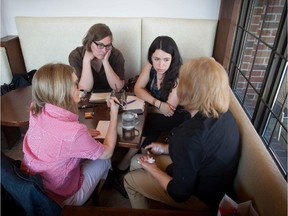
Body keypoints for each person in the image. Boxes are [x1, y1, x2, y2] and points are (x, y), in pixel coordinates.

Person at [123, 57, 241, 214]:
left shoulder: (190, 136)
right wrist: (166, 148)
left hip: (202, 199)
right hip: (214, 184)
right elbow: (198, 152)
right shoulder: (224, 114)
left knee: (129, 180)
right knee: (135, 161)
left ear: (189, 91)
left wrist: (153, 169)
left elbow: (179, 193)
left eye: (180, 82)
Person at [20, 63, 120, 206]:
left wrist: (82, 135)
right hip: (56, 199)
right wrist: (114, 114)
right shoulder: (74, 133)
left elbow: (55, 132)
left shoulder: (36, 108)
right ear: (62, 91)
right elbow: (108, 151)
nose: (80, 88)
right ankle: (92, 201)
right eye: (75, 85)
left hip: (32, 184)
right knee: (105, 160)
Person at [114, 36, 189, 173]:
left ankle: (126, 161)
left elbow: (169, 110)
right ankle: (129, 161)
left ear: (173, 58)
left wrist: (147, 107)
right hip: (155, 108)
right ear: (151, 57)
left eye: (166, 60)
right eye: (156, 59)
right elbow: (138, 88)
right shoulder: (150, 65)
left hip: (175, 115)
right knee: (141, 119)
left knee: (142, 120)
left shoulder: (178, 75)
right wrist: (157, 104)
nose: (161, 65)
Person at [69, 23, 125, 92]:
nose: (104, 50)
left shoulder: (116, 55)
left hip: (111, 97)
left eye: (108, 45)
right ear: (89, 43)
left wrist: (105, 62)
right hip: (85, 99)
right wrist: (86, 61)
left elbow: (117, 88)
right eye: (100, 45)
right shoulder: (76, 56)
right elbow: (84, 90)